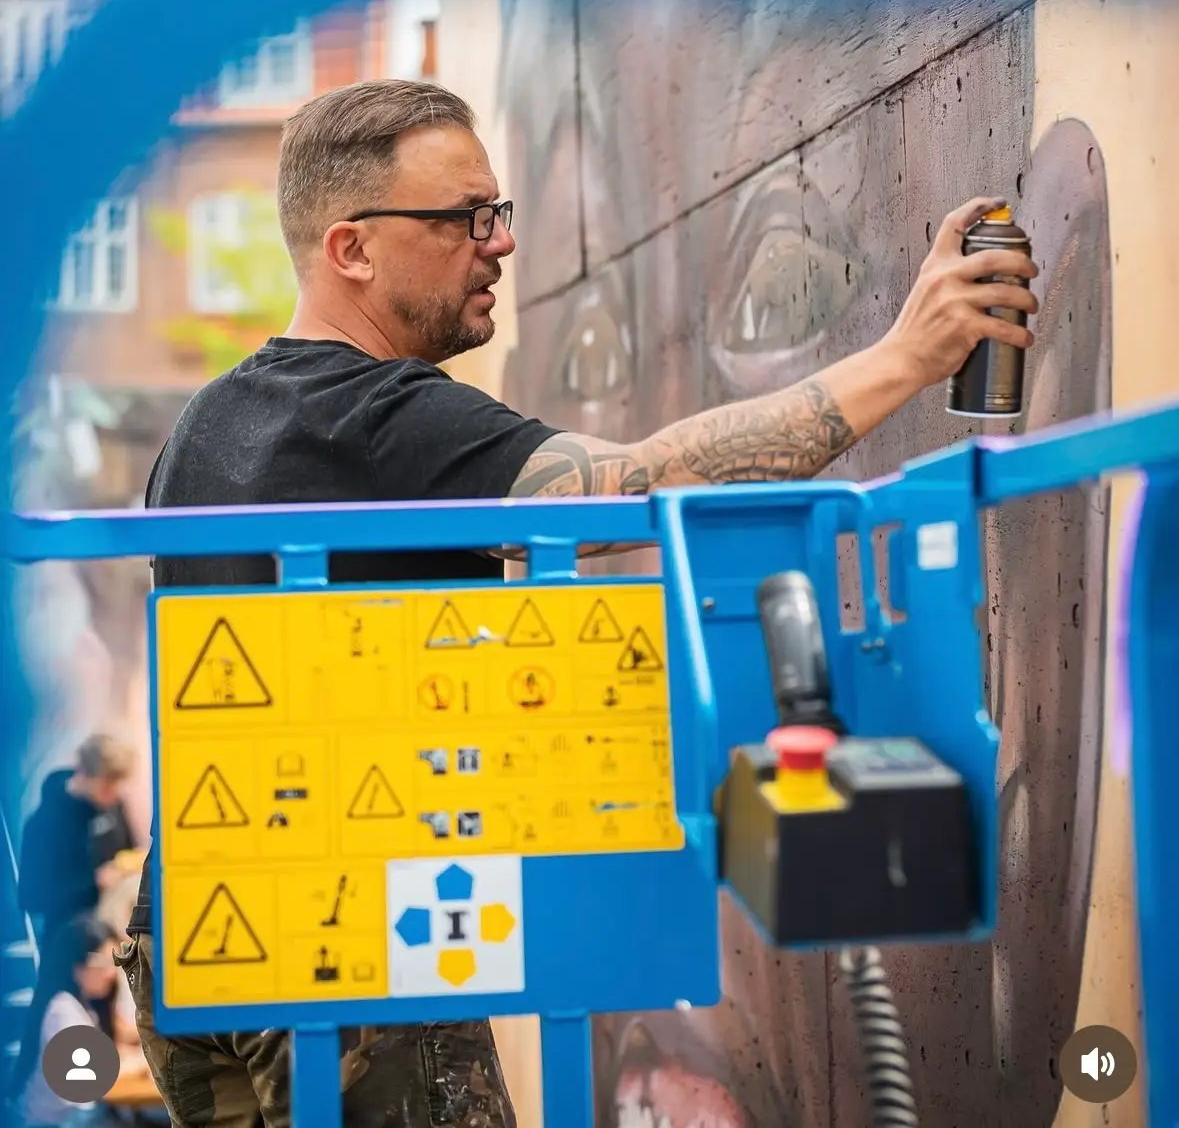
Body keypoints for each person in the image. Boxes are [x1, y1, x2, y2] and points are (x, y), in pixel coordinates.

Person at [118, 78, 1037, 1127]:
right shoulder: (376, 417)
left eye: (497, 211)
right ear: (352, 249)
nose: (498, 242)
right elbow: (636, 488)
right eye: (464, 217)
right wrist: (907, 356)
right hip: (344, 944)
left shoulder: (207, 423)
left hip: (192, 929)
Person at [19, 735, 136, 950]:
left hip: (114, 940)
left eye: (118, 785)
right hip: (67, 946)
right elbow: (31, 898)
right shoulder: (43, 823)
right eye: (107, 785)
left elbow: (127, 853)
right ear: (83, 774)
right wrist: (95, 883)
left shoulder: (114, 806)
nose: (114, 794)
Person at [6, 912, 120, 1127]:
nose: (112, 973)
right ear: (76, 967)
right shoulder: (63, 1013)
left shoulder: (81, 1006)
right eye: (104, 963)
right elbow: (87, 1082)